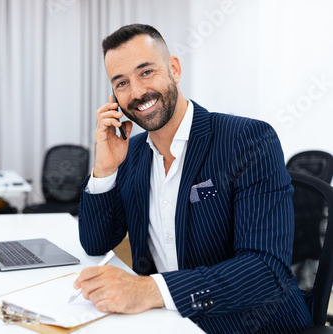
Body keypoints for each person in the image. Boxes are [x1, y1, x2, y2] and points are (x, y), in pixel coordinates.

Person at [74, 24, 314, 333]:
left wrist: (150, 290)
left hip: (251, 323)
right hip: (169, 321)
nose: (136, 92)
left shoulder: (248, 140)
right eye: (121, 83)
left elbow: (266, 271)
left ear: (174, 68)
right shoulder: (132, 154)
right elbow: (96, 243)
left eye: (146, 72)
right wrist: (105, 169)